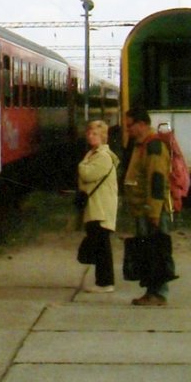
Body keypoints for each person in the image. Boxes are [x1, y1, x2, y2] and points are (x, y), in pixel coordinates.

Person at [122, 108, 174, 306]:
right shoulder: (140, 145)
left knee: (157, 250)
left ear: (142, 124)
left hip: (152, 210)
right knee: (148, 251)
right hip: (143, 209)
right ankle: (151, 290)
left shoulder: (153, 147)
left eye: (130, 126)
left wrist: (153, 211)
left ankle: (159, 293)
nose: (128, 130)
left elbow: (157, 180)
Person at [77, 119, 119, 292]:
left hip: (101, 208)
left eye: (95, 133)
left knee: (102, 246)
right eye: (89, 132)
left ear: (103, 136)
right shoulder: (94, 154)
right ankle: (102, 281)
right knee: (100, 245)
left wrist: (81, 164)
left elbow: (87, 174)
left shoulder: (102, 156)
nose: (90, 136)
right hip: (97, 206)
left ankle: (105, 282)